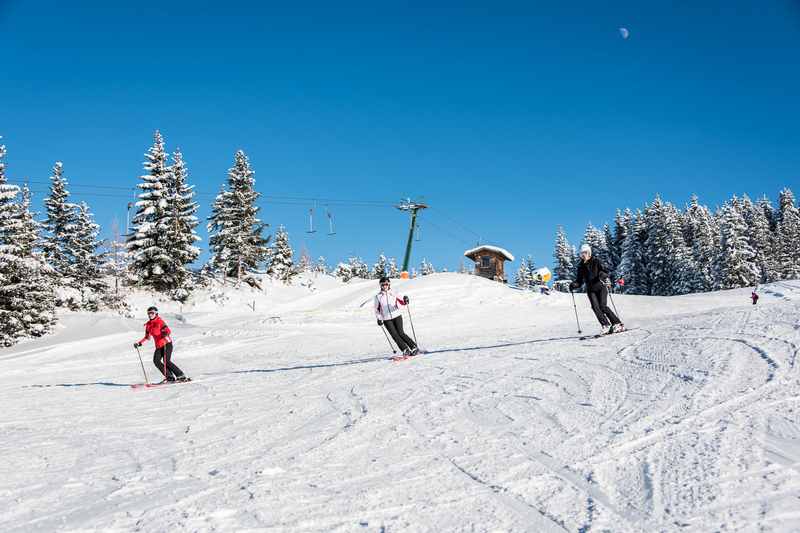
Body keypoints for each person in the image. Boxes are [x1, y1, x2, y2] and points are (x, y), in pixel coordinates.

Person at [570, 244, 624, 335]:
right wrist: (574, 285)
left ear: (589, 253)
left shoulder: (596, 261)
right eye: (582, 253)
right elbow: (579, 281)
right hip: (590, 290)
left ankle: (617, 323)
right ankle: (606, 325)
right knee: (595, 307)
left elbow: (605, 271)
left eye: (585, 253)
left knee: (603, 306)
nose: (584, 255)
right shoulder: (580, 266)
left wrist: (602, 274)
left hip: (601, 286)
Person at [134, 306, 189, 383]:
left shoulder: (160, 322)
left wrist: (165, 333)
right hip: (159, 346)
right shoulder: (149, 325)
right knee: (156, 361)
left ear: (156, 313)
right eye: (149, 313)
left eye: (152, 313)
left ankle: (181, 375)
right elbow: (147, 337)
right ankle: (169, 377)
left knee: (167, 361)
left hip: (166, 343)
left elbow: (168, 330)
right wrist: (139, 343)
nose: (150, 315)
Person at [374, 277, 418, 356]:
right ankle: (405, 349)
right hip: (386, 319)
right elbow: (377, 309)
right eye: (383, 284)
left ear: (389, 284)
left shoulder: (394, 292)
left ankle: (413, 347)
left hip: (397, 315)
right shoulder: (378, 297)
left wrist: (405, 300)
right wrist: (379, 318)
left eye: (386, 284)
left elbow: (402, 301)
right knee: (394, 335)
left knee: (401, 333)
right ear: (380, 285)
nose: (385, 286)